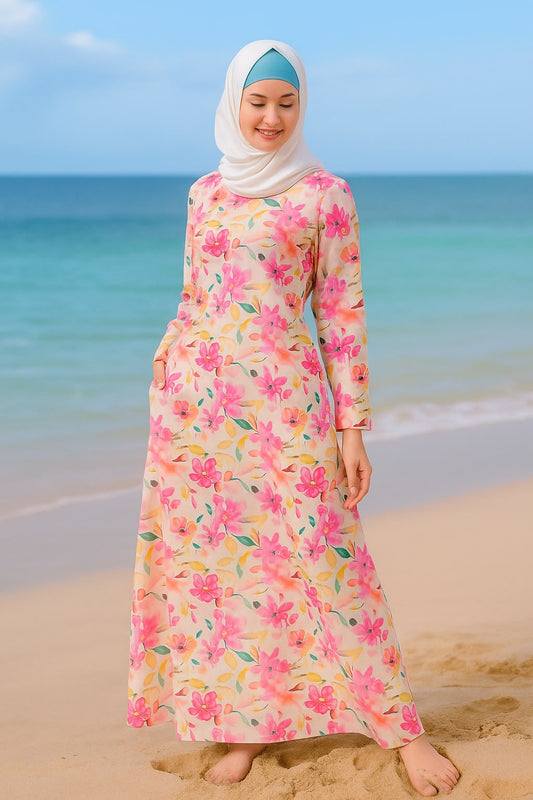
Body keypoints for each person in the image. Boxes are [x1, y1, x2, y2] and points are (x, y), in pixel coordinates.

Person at [128, 40, 460, 797]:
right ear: (232, 103)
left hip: (285, 404)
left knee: (328, 558)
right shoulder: (204, 193)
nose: (271, 116)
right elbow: (191, 296)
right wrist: (163, 368)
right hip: (196, 410)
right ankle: (244, 726)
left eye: (285, 101)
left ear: (300, 106)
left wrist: (351, 428)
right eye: (257, 101)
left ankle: (401, 730)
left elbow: (341, 313)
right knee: (221, 574)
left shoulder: (324, 194)